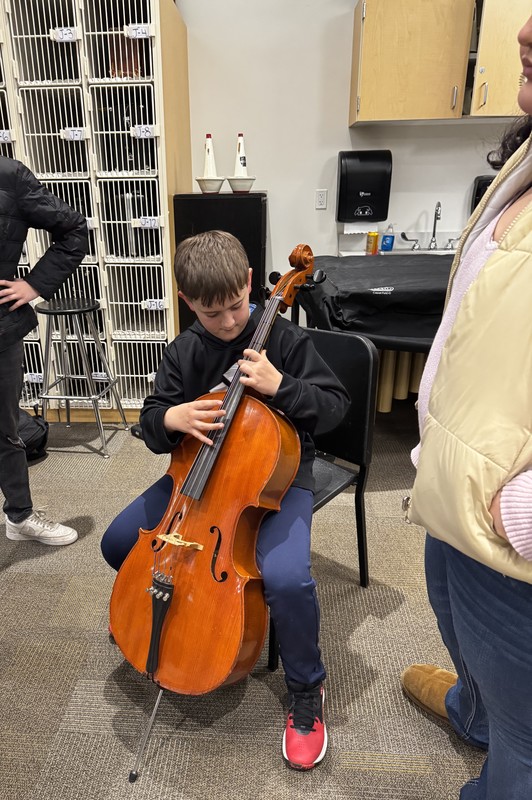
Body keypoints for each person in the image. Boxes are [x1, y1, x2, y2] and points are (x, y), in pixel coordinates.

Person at [101, 230, 350, 770]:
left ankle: (307, 691)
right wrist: (172, 417)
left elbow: (333, 409)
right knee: (118, 541)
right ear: (188, 303)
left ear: (249, 284)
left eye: (237, 306)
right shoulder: (185, 349)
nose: (230, 322)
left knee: (287, 578)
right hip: (194, 481)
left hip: (275, 481)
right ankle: (173, 617)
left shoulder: (283, 339)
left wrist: (282, 386)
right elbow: (150, 418)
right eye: (212, 314)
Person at [400, 16, 532, 800]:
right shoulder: (524, 154)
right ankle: (470, 706)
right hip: (454, 490)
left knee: (526, 750)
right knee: (453, 618)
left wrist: (515, 511)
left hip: (512, 536)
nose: (524, 26)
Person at [0, 156, 88, 546]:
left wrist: (33, 285)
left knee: (6, 429)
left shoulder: (9, 176)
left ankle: (19, 515)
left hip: (0, 330)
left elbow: (74, 230)